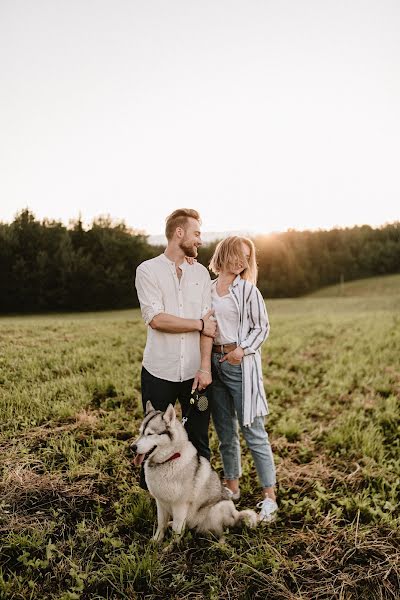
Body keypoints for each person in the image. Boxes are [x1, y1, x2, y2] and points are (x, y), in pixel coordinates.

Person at [135, 208, 216, 477]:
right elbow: (156, 319)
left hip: (196, 373)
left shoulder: (201, 274)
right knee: (154, 439)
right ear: (179, 233)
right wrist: (197, 324)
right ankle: (155, 496)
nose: (200, 241)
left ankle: (200, 497)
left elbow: (209, 325)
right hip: (159, 372)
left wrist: (205, 367)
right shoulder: (147, 270)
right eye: (196, 233)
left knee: (198, 438)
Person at [208, 236, 278, 522]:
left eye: (247, 257)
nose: (241, 261)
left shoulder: (248, 290)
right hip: (213, 363)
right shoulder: (208, 289)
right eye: (238, 254)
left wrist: (241, 350)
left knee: (253, 431)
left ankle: (269, 498)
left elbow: (262, 328)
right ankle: (232, 487)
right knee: (225, 431)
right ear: (225, 252)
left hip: (240, 365)